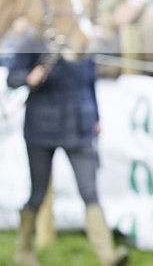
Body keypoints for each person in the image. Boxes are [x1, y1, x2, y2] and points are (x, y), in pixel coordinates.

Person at [7, 34, 128, 266]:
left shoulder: (82, 38)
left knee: (90, 191)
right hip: (42, 127)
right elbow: (13, 77)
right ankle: (23, 252)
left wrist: (95, 116)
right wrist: (28, 77)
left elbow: (89, 82)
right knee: (38, 193)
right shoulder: (33, 40)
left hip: (79, 125)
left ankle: (107, 256)